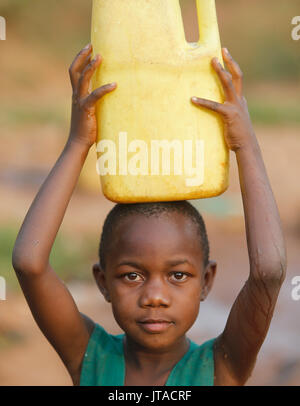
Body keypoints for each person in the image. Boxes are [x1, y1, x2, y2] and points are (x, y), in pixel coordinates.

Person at [12, 44, 286, 386]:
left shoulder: (220, 366)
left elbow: (269, 271)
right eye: (131, 276)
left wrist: (245, 145)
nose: (154, 296)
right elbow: (29, 263)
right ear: (102, 281)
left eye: (178, 275)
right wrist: (79, 143)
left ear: (207, 280)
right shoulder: (89, 356)